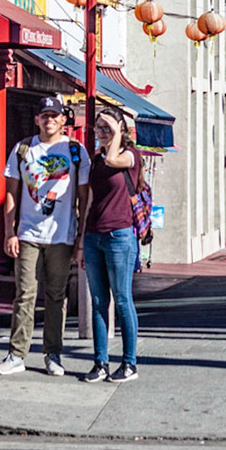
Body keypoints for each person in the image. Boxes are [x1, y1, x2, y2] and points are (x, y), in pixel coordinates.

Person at [0, 97, 89, 377]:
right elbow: (11, 192)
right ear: (37, 119)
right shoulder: (23, 149)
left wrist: (80, 239)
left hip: (61, 235)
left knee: (56, 296)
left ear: (63, 120)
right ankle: (17, 353)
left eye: (54, 115)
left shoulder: (75, 151)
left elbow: (84, 198)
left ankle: (53, 353)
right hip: (28, 234)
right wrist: (9, 231)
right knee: (24, 294)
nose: (49, 120)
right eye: (44, 115)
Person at [79, 107, 142, 382]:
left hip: (120, 235)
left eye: (107, 127)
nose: (102, 132)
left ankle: (129, 364)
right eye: (98, 128)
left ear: (121, 129)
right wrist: (81, 242)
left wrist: (116, 133)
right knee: (98, 301)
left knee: (123, 299)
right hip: (94, 236)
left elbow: (115, 159)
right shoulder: (95, 160)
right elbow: (90, 201)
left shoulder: (130, 156)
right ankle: (100, 362)